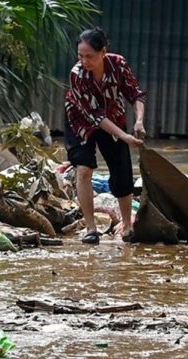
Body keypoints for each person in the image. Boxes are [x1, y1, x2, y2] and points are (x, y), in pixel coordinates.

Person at [64, 27, 146, 244]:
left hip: (114, 116)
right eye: (80, 56)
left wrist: (139, 121)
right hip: (80, 120)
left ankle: (127, 226)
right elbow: (95, 116)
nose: (84, 61)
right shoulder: (77, 74)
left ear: (103, 52)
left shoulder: (118, 64)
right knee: (84, 169)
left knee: (121, 172)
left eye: (89, 56)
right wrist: (125, 136)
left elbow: (135, 94)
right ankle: (91, 229)